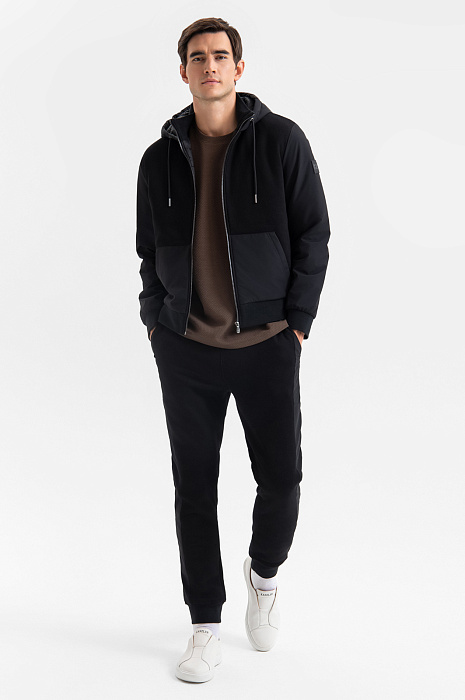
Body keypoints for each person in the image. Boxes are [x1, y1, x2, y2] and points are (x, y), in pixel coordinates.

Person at [135, 17, 331, 683]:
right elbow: (147, 252)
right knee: (194, 487)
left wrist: (296, 322)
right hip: (186, 348)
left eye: (220, 56)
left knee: (281, 479)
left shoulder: (280, 141)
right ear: (183, 72)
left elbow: (313, 233)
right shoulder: (159, 159)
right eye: (198, 57)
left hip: (267, 342)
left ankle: (263, 574)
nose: (210, 66)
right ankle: (204, 625)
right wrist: (156, 322)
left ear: (239, 69)